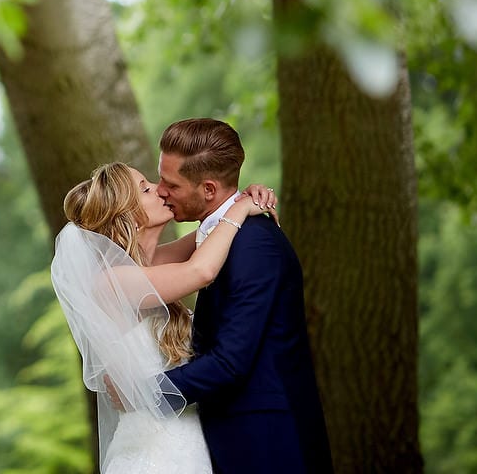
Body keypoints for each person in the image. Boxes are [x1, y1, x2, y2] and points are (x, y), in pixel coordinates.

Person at [52, 160, 274, 473]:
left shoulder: (153, 263)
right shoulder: (111, 282)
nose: (160, 190)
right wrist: (240, 210)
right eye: (145, 189)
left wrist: (244, 198)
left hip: (190, 439)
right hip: (155, 453)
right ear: (128, 215)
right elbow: (202, 270)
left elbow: (213, 231)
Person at [157, 118, 332, 474]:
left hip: (268, 445)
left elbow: (230, 362)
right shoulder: (225, 234)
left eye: (171, 184)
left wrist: (146, 394)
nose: (161, 191)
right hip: (240, 438)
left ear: (208, 189)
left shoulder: (255, 244)